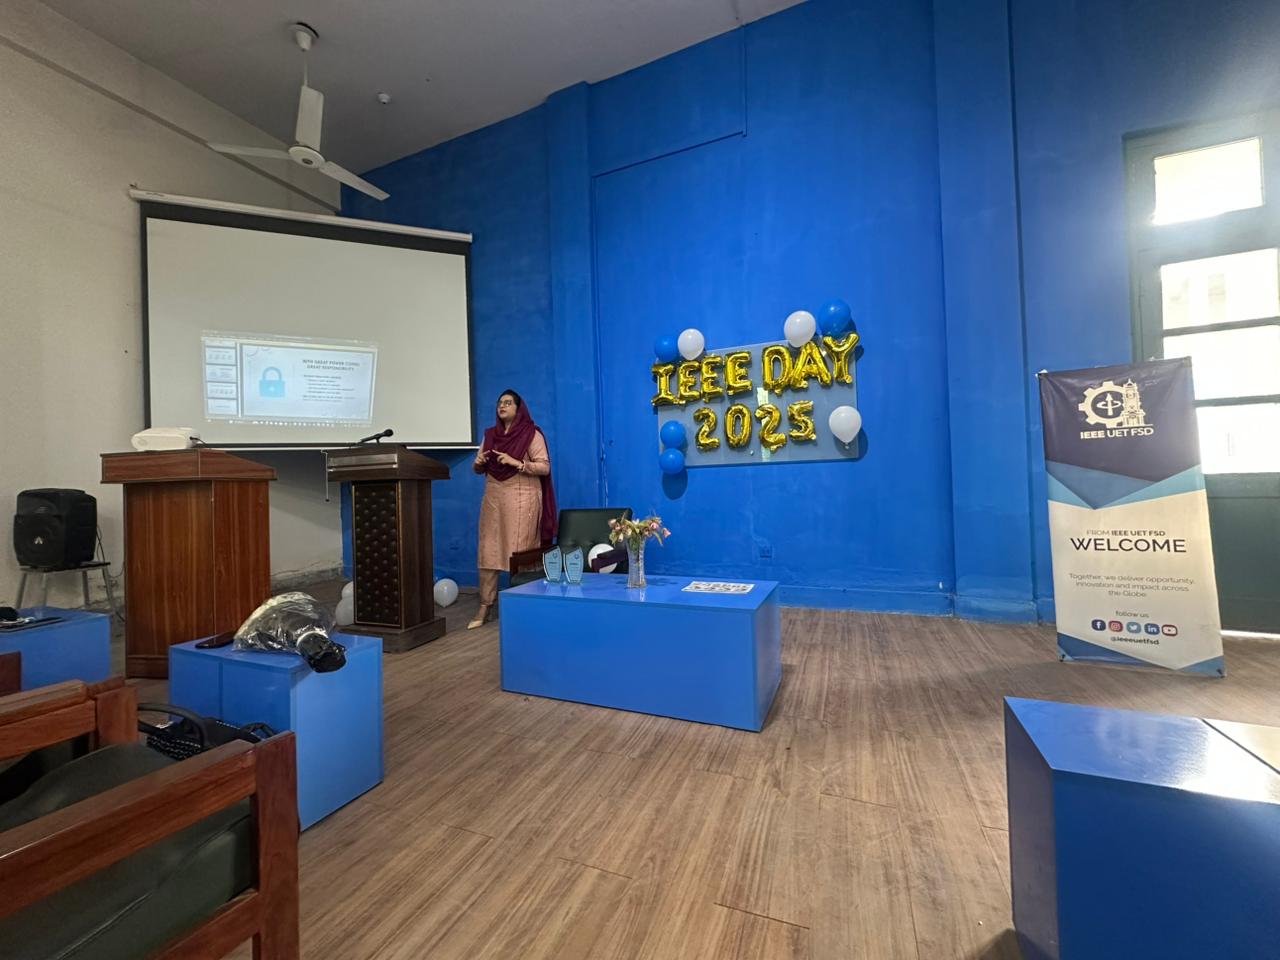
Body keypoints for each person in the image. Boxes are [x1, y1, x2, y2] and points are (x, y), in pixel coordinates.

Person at [469, 389, 557, 628]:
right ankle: (485, 605)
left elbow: (544, 467)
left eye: (508, 402)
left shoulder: (531, 433)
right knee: (489, 550)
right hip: (494, 497)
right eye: (500, 403)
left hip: (522, 496)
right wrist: (478, 463)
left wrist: (516, 462)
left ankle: (525, 604)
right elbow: (478, 468)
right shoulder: (491, 435)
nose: (502, 406)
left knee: (521, 551)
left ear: (519, 408)